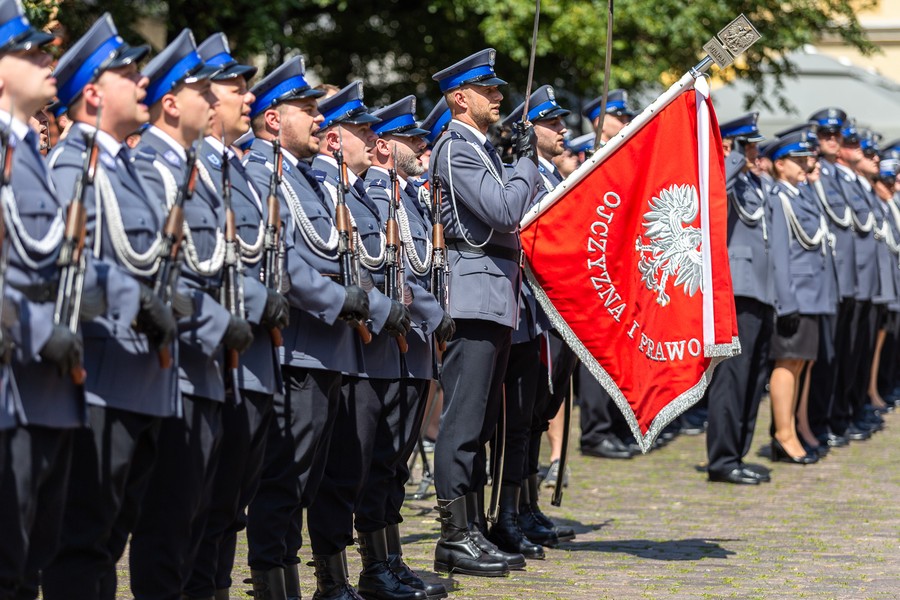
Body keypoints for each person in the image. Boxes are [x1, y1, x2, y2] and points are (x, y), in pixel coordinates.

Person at [41, 14, 179, 600]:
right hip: (98, 381)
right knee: (82, 544)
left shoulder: (123, 165)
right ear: (93, 94)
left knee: (109, 539)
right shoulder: (73, 163)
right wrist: (137, 300)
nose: (142, 80)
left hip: (139, 379)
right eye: (127, 73)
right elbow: (62, 268)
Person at [127, 29, 256, 599]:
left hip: (208, 371)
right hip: (173, 369)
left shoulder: (193, 170)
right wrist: (217, 323)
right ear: (172, 103)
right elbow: (153, 278)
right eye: (203, 90)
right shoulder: (151, 168)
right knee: (168, 527)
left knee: (201, 519)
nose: (216, 100)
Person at [240, 60, 371, 600]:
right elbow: (286, 263)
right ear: (274, 119)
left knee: (311, 480)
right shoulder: (260, 173)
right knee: (284, 482)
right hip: (296, 349)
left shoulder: (306, 177)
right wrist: (343, 300)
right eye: (309, 110)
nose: (320, 119)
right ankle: (275, 586)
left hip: (326, 348)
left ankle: (304, 582)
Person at [428, 48, 544, 577]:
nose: (498, 96)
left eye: (497, 88)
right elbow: (503, 210)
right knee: (463, 422)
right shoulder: (457, 148)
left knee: (481, 423)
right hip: (473, 297)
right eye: (488, 89)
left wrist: (518, 162)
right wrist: (526, 161)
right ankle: (453, 536)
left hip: (496, 296)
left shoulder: (481, 149)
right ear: (460, 98)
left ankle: (471, 528)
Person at [185, 32, 290, 600]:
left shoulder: (235, 168)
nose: (247, 97)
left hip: (255, 359)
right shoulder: (196, 168)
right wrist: (256, 301)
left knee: (231, 504)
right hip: (223, 357)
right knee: (205, 504)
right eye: (234, 88)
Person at [305, 81, 416, 600]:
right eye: (362, 129)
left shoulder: (359, 192)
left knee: (375, 464)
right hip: (350, 347)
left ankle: (374, 567)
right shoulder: (325, 188)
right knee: (341, 472)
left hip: (377, 343)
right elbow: (343, 269)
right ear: (334, 139)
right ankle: (332, 580)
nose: (374, 138)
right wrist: (382, 308)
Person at [0, 4, 93, 597]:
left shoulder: (27, 152)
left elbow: (61, 262)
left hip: (47, 387)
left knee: (32, 561)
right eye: (30, 52)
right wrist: (40, 331)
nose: (46, 61)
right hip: (16, 382)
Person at [359, 94, 454, 600]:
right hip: (390, 349)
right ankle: (376, 567)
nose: (421, 146)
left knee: (396, 463)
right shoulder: (377, 196)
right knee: (382, 462)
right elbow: (392, 275)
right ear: (383, 146)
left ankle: (392, 560)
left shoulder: (410, 197)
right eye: (410, 139)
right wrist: (436, 315)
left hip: (416, 350)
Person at [497, 84, 577, 549]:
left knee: (541, 411)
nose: (561, 129)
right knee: (524, 416)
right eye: (551, 122)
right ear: (528, 131)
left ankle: (527, 506)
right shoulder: (522, 175)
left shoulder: (555, 177)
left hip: (559, 312)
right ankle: (513, 510)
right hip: (534, 308)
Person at [704, 113, 775, 484]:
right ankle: (722, 459)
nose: (754, 152)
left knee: (753, 378)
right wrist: (729, 154)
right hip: (738, 290)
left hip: (762, 290)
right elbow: (713, 192)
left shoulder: (754, 182)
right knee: (732, 378)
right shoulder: (723, 173)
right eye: (748, 145)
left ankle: (738, 453)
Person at [765, 130, 830, 465]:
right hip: (795, 294)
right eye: (798, 160)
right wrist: (785, 301)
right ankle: (783, 434)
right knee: (787, 362)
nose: (805, 165)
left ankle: (791, 429)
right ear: (780, 164)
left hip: (811, 293)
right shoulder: (779, 197)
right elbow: (779, 253)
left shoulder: (800, 195)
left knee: (800, 363)